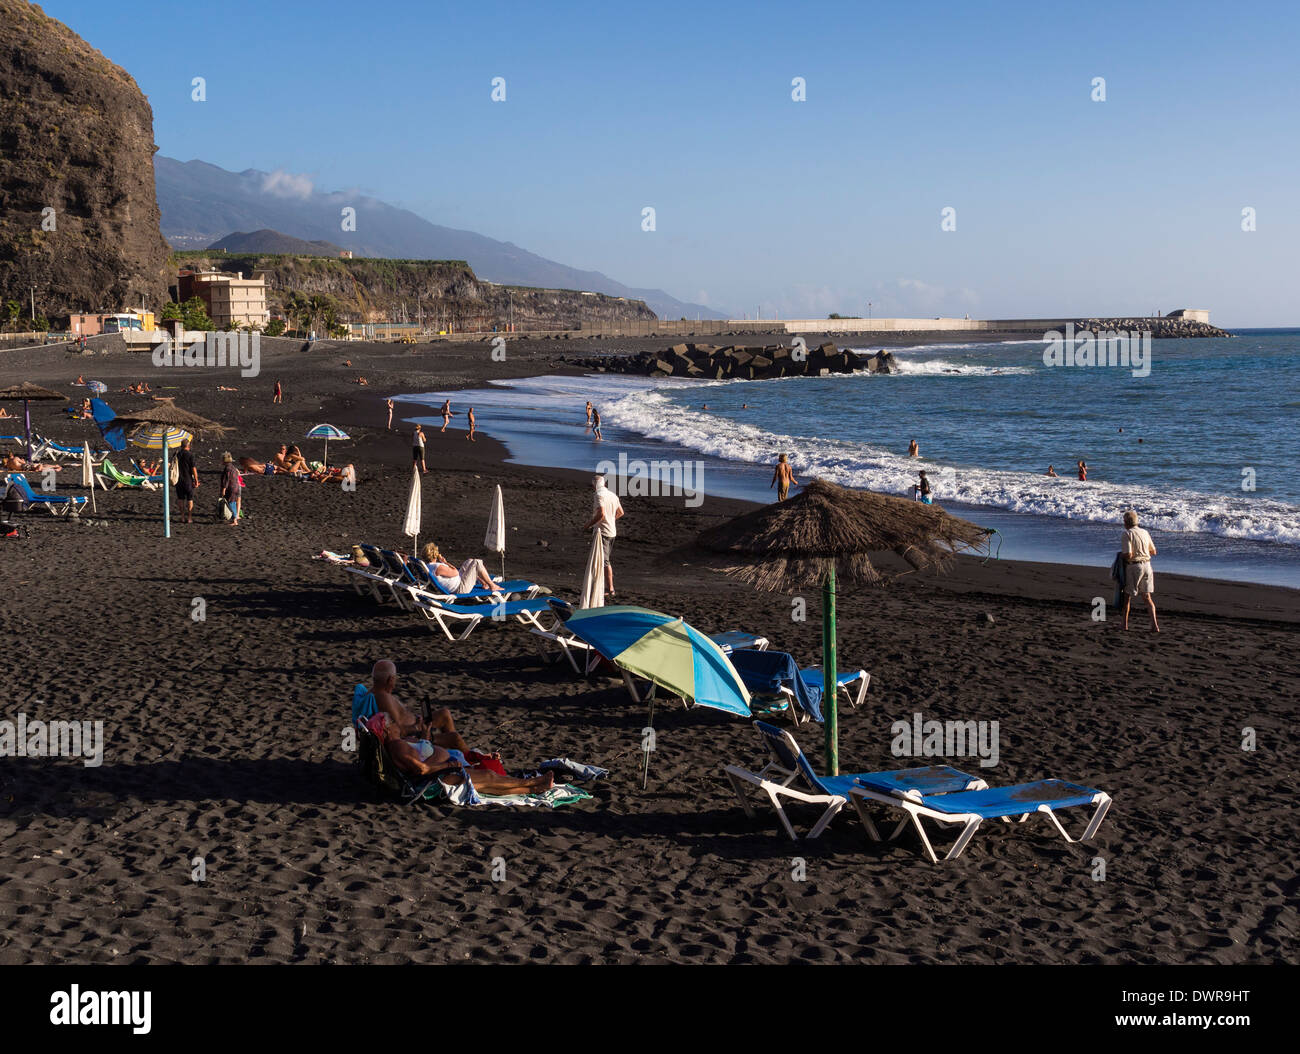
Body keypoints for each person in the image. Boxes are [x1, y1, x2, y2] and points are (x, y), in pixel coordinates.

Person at [375, 713, 555, 797]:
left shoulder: (401, 741)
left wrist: (425, 733)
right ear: (387, 729)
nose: (396, 723)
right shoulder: (397, 746)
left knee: (487, 785)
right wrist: (449, 766)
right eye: (392, 722)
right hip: (435, 779)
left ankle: (533, 788)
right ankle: (532, 783)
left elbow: (420, 755)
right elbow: (421, 769)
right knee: (488, 777)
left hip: (441, 772)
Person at [367, 660, 467, 751]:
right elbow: (398, 731)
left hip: (416, 727)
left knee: (444, 714)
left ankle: (458, 755)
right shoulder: (383, 698)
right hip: (414, 737)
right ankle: (474, 761)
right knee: (455, 738)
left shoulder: (376, 693)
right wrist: (418, 727)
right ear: (391, 679)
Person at [582, 473, 624, 596]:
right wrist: (611, 520)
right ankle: (601, 585)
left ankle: (610, 589)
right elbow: (620, 512)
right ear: (604, 484)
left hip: (603, 532)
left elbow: (601, 514)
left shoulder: (598, 495)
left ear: (594, 485)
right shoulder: (613, 495)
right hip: (612, 531)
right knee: (602, 559)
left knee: (604, 560)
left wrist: (588, 525)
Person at [1120, 510, 1160, 632]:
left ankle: (1124, 625)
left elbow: (1128, 554)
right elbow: (1153, 551)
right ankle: (1154, 625)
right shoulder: (1145, 532)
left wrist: (1120, 556)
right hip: (1147, 566)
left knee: (1127, 597)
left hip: (1134, 566)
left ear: (1126, 522)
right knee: (1147, 597)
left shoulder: (1127, 534)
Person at [421, 542, 500, 596]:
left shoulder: (426, 567)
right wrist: (445, 562)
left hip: (457, 583)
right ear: (435, 554)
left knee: (469, 562)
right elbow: (456, 572)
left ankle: (484, 583)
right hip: (460, 589)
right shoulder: (438, 567)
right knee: (477, 562)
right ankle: (492, 585)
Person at [175, 437, 198, 524]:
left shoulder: (177, 454)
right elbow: (193, 469)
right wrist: (196, 480)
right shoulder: (190, 455)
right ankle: (189, 518)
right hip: (188, 480)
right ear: (188, 446)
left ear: (181, 446)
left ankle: (182, 517)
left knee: (180, 499)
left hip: (178, 480)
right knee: (190, 499)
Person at [220, 452, 241, 525]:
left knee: (231, 503)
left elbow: (226, 480)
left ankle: (234, 520)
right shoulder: (233, 467)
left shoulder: (227, 468)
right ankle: (234, 518)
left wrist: (223, 490)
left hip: (231, 488)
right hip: (236, 487)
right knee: (233, 502)